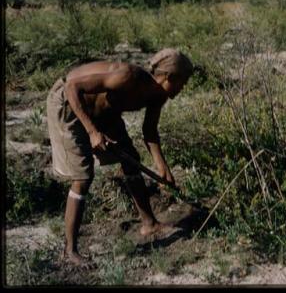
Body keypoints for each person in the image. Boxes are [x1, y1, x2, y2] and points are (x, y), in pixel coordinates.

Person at [46, 48, 194, 266]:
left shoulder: (159, 95)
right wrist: (93, 132)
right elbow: (72, 87)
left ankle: (149, 223)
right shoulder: (127, 76)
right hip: (70, 104)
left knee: (131, 158)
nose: (184, 87)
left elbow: (150, 131)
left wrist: (162, 167)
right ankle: (70, 250)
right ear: (169, 77)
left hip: (105, 112)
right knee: (83, 177)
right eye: (183, 81)